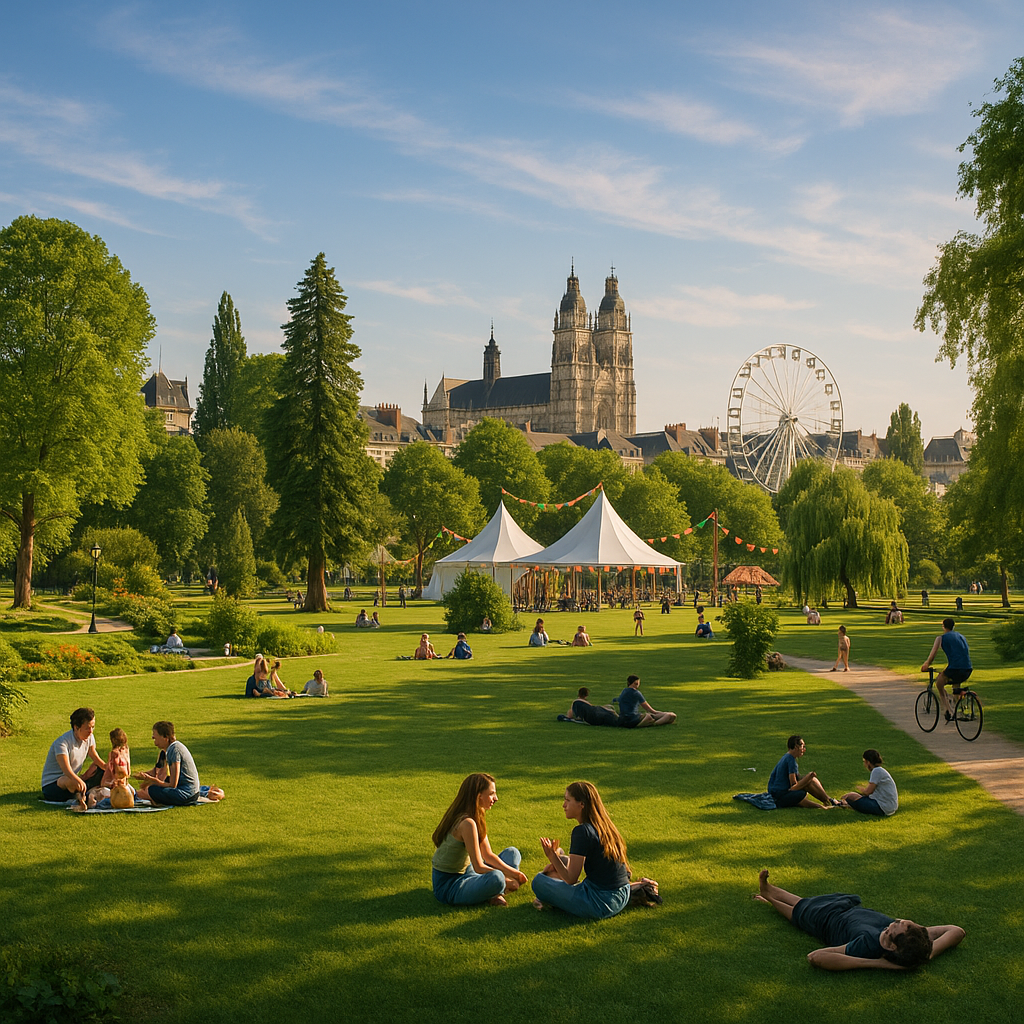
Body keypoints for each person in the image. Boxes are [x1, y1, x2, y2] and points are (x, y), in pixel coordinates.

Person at [753, 869, 964, 970]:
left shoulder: (867, 945)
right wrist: (924, 955)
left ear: (892, 945)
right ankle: (769, 894)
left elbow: (815, 957)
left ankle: (769, 896)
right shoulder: (911, 941)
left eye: (900, 926)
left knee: (798, 912)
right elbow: (956, 931)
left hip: (824, 920)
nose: (899, 921)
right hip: (846, 906)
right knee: (803, 901)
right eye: (906, 923)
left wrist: (878, 964)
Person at [531, 781, 632, 919]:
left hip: (600, 903)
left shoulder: (582, 832)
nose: (564, 805)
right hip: (623, 894)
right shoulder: (606, 827)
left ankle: (550, 882)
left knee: (538, 882)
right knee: (563, 862)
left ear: (582, 804)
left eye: (568, 800)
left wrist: (551, 855)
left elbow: (571, 879)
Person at [431, 773, 528, 907]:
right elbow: (479, 866)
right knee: (497, 878)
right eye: (492, 793)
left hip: (470, 871)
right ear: (479, 796)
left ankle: (493, 892)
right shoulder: (467, 823)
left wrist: (515, 873)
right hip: (451, 884)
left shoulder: (476, 816)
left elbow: (487, 855)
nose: (496, 798)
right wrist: (507, 879)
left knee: (512, 852)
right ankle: (497, 891)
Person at [41, 707, 107, 810]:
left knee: (99, 770)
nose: (91, 731)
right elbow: (66, 770)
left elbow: (95, 757)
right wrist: (79, 780)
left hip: (74, 779)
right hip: (54, 786)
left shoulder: (89, 738)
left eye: (92, 727)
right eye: (87, 728)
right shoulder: (62, 743)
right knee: (71, 781)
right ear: (76, 727)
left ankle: (87, 794)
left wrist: (109, 769)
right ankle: (81, 798)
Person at [136, 721, 201, 806]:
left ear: (165, 737)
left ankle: (156, 800)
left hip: (187, 795)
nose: (154, 741)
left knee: (153, 789)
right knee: (159, 784)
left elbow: (173, 785)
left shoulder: (174, 750)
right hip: (191, 792)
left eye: (155, 738)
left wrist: (153, 781)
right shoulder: (173, 748)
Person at [922, 617, 973, 721]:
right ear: (953, 626)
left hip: (954, 668)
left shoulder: (941, 638)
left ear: (943, 626)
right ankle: (959, 706)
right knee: (956, 685)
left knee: (939, 683)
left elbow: (933, 655)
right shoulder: (962, 637)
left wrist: (926, 664)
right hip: (967, 668)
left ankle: (949, 710)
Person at [767, 735, 840, 808]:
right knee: (804, 789)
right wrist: (808, 777)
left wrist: (808, 778)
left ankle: (828, 801)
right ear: (796, 747)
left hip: (775, 793)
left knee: (810, 780)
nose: (804, 749)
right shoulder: (791, 760)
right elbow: (793, 787)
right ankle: (828, 802)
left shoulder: (786, 757)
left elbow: (796, 779)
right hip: (780, 796)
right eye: (802, 747)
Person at [840, 749, 898, 816]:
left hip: (882, 807)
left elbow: (868, 792)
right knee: (854, 796)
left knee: (851, 796)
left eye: (864, 761)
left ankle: (841, 803)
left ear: (868, 762)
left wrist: (861, 790)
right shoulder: (880, 770)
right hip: (889, 807)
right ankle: (846, 804)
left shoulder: (876, 771)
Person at [88, 727, 134, 808]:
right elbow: (128, 772)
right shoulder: (126, 751)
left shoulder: (114, 754)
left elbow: (106, 780)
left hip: (113, 787)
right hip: (122, 786)